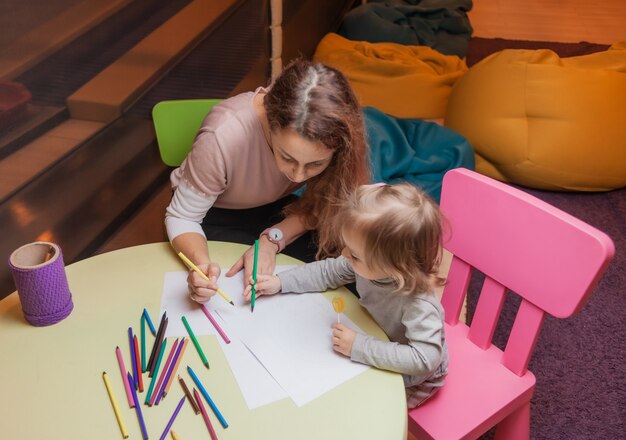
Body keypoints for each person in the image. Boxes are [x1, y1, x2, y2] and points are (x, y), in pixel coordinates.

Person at [165, 59, 370, 303]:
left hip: (281, 209)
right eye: (287, 157)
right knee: (236, 287)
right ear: (270, 123)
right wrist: (201, 267)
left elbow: (324, 203)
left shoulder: (337, 142)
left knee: (354, 270)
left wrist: (271, 240)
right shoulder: (222, 137)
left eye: (315, 164)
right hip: (214, 215)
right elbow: (183, 217)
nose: (298, 176)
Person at [243, 182, 449, 408]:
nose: (344, 254)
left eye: (355, 255)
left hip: (413, 378)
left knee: (361, 409)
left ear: (396, 267)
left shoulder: (418, 303)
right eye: (347, 247)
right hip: (376, 341)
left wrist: (358, 347)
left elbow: (424, 359)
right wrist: (280, 282)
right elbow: (328, 271)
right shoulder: (370, 263)